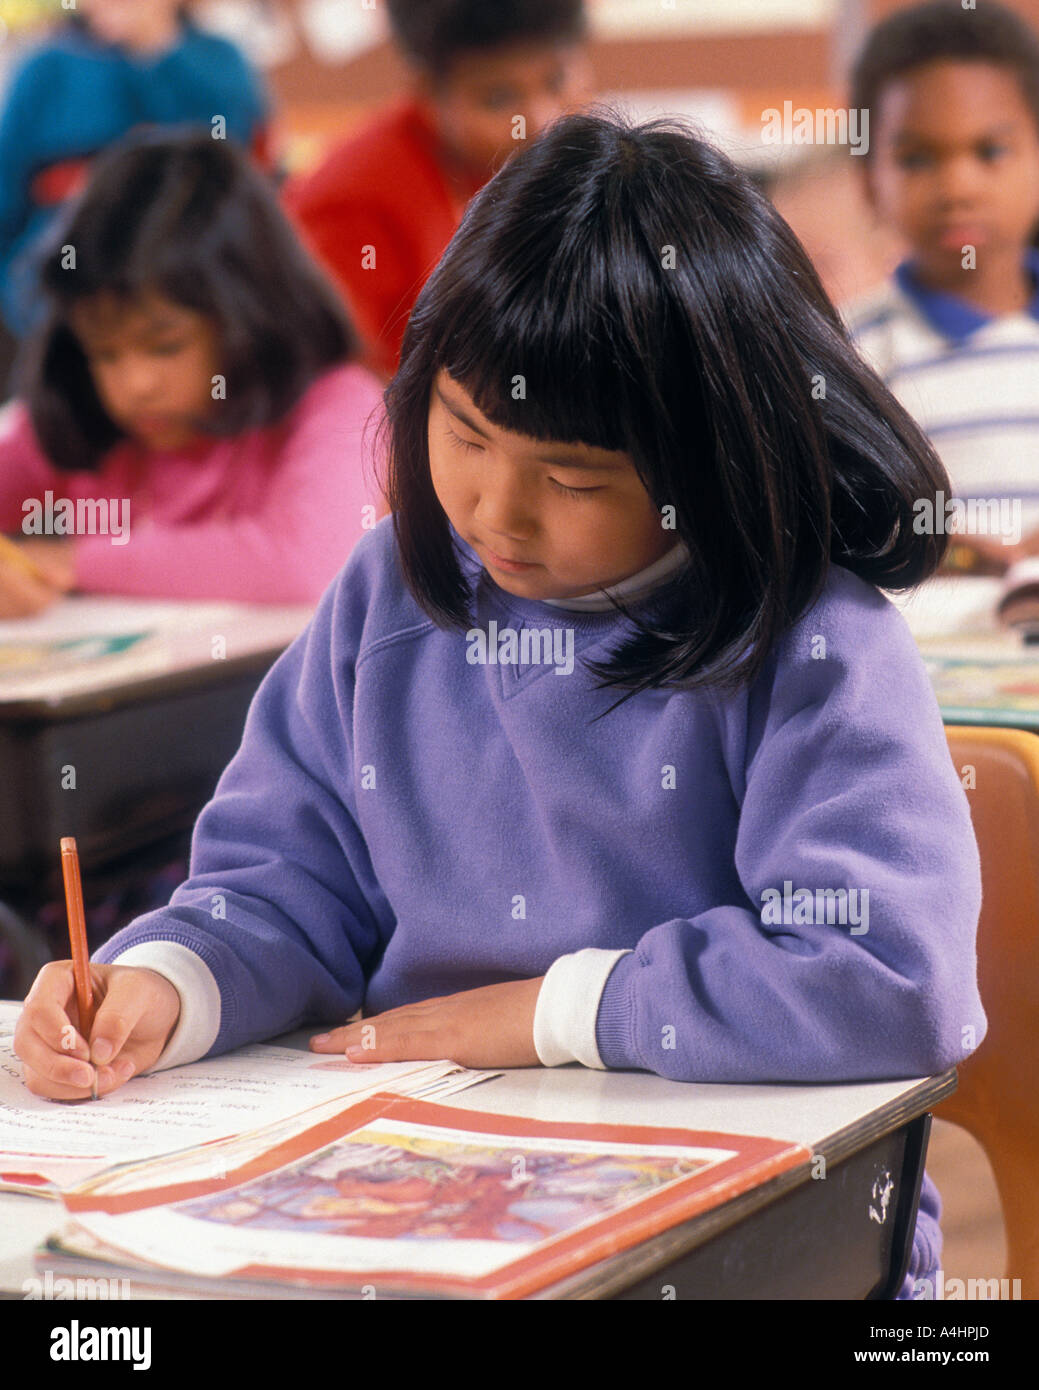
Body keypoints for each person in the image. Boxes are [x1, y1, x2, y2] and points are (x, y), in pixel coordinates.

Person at [15, 114, 986, 1301]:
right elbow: (280, 884)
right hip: (421, 1202)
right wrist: (166, 986)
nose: (495, 513)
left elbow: (887, 972)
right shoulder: (388, 594)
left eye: (572, 479)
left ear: (711, 461)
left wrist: (552, 1011)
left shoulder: (811, 641)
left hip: (756, 1231)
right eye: (462, 432)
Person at [0, 130, 383, 614]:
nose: (135, 384)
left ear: (250, 316)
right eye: (104, 354)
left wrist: (70, 562)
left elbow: (306, 561)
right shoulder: (81, 419)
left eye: (166, 347)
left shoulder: (339, 403)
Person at [285, 0, 591, 379]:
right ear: (428, 92)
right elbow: (354, 398)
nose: (541, 120)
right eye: (498, 98)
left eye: (556, 80)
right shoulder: (351, 206)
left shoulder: (552, 162)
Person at [844, 0, 1039, 576]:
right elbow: (847, 527)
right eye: (917, 158)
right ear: (868, 181)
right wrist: (962, 549)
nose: (957, 186)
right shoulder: (849, 354)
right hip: (929, 658)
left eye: (990, 151)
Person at [0, 0, 270, 344]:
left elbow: (238, 169)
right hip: (61, 308)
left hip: (195, 292)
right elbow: (5, 201)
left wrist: (155, 49)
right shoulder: (46, 69)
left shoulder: (218, 61)